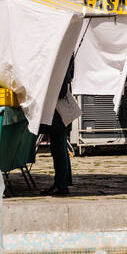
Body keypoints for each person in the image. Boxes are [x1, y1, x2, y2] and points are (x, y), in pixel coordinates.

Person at [42, 56, 76, 196]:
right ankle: (63, 182)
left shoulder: (61, 66)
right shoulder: (64, 62)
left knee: (59, 149)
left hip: (59, 115)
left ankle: (61, 184)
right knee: (60, 147)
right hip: (60, 115)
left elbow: (61, 92)